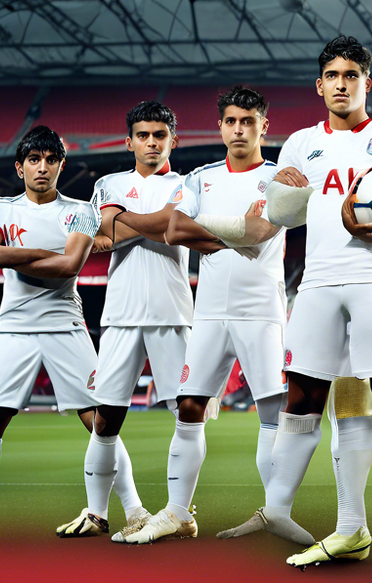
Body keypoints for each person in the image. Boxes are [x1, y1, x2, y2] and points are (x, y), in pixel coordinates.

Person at [260, 35, 372, 571]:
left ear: (366, 84)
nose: (340, 84)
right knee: (305, 400)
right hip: (318, 282)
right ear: (319, 85)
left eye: (351, 75)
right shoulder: (297, 145)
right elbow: (282, 216)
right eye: (332, 75)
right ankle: (336, 526)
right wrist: (279, 195)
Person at [114, 86, 297, 544]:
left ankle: (276, 511)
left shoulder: (282, 178)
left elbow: (261, 233)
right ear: (220, 127)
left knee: (272, 414)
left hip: (262, 311)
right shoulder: (200, 177)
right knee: (189, 406)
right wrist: (238, 231)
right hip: (210, 312)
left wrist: (216, 228)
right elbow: (176, 229)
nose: (239, 130)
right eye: (232, 121)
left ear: (263, 127)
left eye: (248, 121)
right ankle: (178, 512)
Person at [0, 127, 106, 539]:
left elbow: (69, 267)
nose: (42, 167)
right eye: (34, 160)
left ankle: (128, 510)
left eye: (50, 160)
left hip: (66, 326)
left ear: (61, 166)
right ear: (19, 167)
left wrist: (25, 258)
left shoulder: (80, 211)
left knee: (100, 422)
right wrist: (46, 255)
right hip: (15, 328)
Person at [60, 101, 192, 539]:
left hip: (172, 312)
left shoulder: (187, 183)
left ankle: (178, 512)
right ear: (129, 140)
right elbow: (112, 234)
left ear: (173, 139)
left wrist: (124, 222)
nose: (151, 142)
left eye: (159, 135)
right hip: (119, 315)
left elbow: (137, 229)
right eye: (143, 135)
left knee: (186, 414)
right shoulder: (109, 182)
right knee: (105, 419)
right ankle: (97, 513)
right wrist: (159, 223)